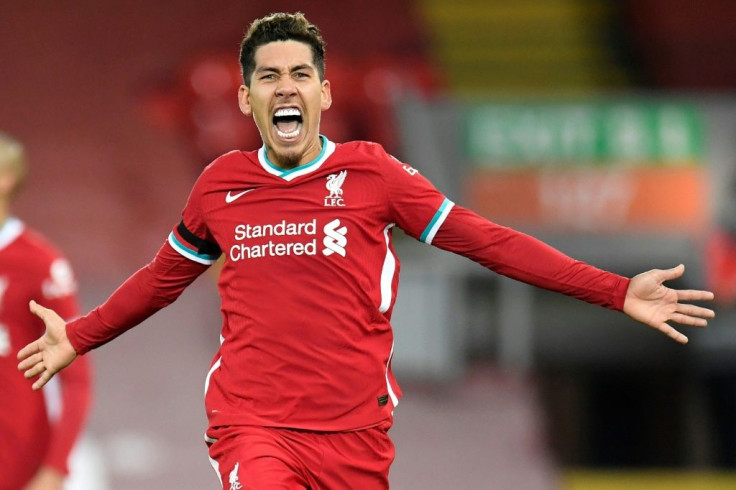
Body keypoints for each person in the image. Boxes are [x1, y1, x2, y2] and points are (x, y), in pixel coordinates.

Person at [17, 12, 715, 489]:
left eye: (298, 74)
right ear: (245, 96)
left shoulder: (373, 175)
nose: (284, 88)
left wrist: (615, 290)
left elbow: (489, 242)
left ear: (323, 91)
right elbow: (161, 281)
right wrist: (77, 336)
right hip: (253, 420)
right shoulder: (220, 187)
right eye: (267, 76)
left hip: (353, 426)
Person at [0, 133, 93, 490]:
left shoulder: (39, 263)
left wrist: (55, 469)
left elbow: (77, 377)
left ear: (6, 179)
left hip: (17, 459)